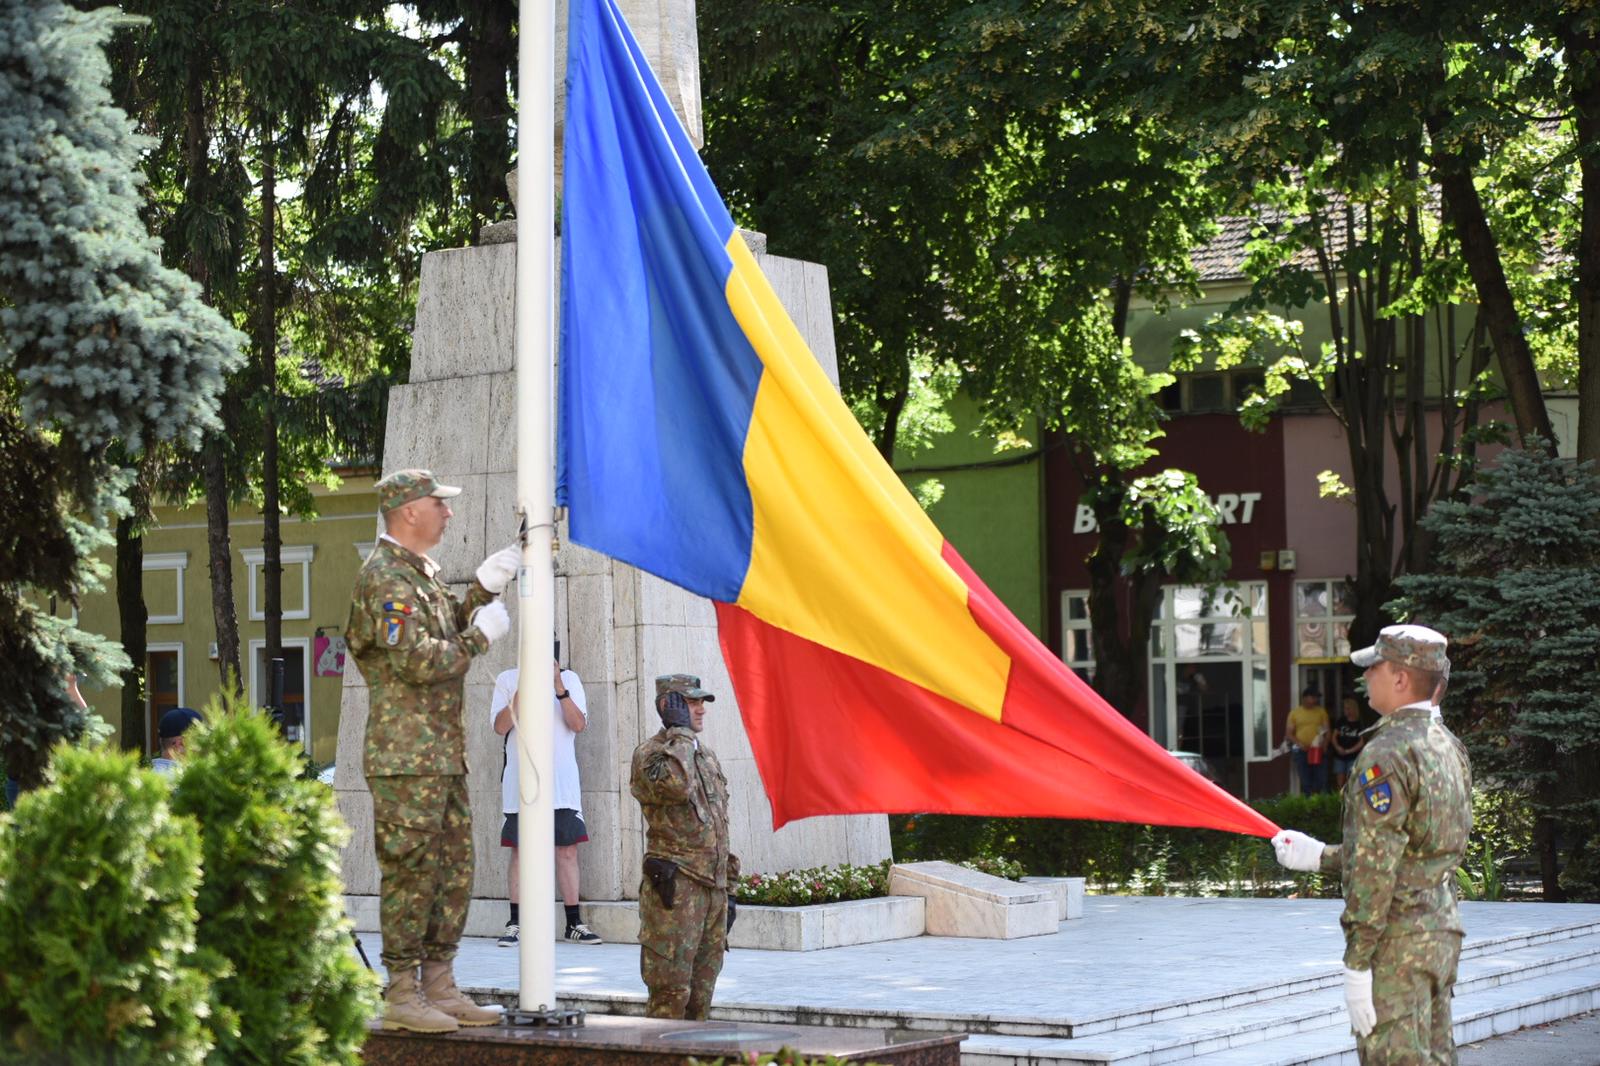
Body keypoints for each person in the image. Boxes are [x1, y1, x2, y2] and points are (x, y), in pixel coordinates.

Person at [346, 468, 518, 1034]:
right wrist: (480, 636)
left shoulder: (418, 577)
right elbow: (419, 660)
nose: (448, 513)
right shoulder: (386, 580)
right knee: (411, 873)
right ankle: (402, 991)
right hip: (406, 760)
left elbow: (440, 629)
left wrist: (483, 590)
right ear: (408, 511)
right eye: (438, 504)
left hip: (439, 756)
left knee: (450, 873)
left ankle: (439, 983)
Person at [1271, 625, 1472, 1065]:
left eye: (1374, 668)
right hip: (1438, 933)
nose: (1364, 678)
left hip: (1396, 946)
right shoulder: (1447, 746)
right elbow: (1420, 850)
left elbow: (1375, 871)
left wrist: (1358, 962)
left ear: (1400, 678)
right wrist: (1318, 856)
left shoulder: (1387, 754)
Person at [630, 673, 740, 1020]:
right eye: (691, 703)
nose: (700, 710)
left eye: (701, 702)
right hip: (676, 892)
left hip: (711, 892)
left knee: (701, 997)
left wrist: (729, 889)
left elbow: (718, 823)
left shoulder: (704, 755)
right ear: (669, 707)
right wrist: (679, 733)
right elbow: (675, 787)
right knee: (671, 994)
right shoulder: (651, 755)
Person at [489, 655, 603, 947]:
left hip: (560, 785)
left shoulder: (570, 679)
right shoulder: (507, 678)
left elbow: (578, 724)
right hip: (521, 784)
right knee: (521, 852)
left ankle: (574, 922)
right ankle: (516, 922)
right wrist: (522, 691)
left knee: (566, 852)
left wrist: (557, 685)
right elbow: (501, 727)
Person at [1285, 687, 1331, 794]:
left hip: (1318, 750)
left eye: (1316, 698)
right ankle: (1308, 803)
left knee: (1321, 779)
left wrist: (1325, 744)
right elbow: (1289, 733)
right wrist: (1300, 744)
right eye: (1313, 697)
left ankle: (1319, 801)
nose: (1315, 700)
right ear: (1305, 698)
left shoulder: (1321, 712)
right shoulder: (1295, 713)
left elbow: (1327, 730)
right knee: (1305, 780)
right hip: (1302, 751)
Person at [151, 707, 203, 776]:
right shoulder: (186, 781)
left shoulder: (149, 776)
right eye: (198, 740)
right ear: (180, 743)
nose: (201, 746)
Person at [1330, 695, 1366, 791]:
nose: (1345, 711)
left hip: (1353, 755)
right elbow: (1334, 737)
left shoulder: (1359, 723)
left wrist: (1349, 751)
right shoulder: (1341, 721)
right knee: (1339, 781)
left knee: (1351, 779)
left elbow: (1361, 741)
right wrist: (1338, 748)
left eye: (1347, 708)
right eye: (1345, 709)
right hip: (1339, 755)